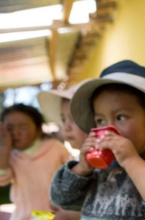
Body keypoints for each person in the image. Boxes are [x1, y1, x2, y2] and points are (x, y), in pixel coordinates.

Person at [50, 60, 145, 219]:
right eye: (100, 121)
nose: (108, 130)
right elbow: (62, 198)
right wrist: (82, 168)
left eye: (120, 117)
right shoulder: (98, 170)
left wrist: (130, 160)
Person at [0, 104, 70, 220]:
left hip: (56, 216)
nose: (16, 133)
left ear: (38, 130)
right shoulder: (9, 156)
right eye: (10, 128)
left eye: (23, 127)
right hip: (23, 216)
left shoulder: (55, 148)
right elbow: (2, 179)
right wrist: (5, 147)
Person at [38, 82, 90, 219]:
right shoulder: (76, 160)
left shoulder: (104, 165)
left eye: (74, 119)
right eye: (63, 119)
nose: (65, 127)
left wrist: (68, 213)